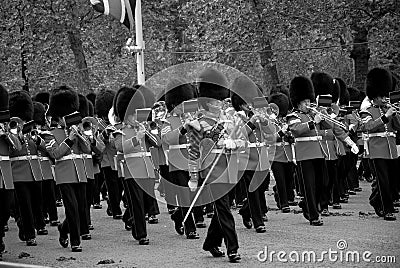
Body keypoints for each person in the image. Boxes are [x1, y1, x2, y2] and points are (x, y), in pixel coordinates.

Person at [186, 68, 242, 262]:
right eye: (217, 101)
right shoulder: (197, 124)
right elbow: (193, 152)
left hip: (229, 168)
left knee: (222, 210)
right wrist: (193, 177)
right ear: (208, 102)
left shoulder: (230, 120)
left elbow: (242, 141)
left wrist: (234, 143)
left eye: (221, 101)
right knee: (225, 210)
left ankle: (211, 243)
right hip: (211, 170)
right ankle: (233, 249)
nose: (221, 104)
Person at [46, 85, 91, 252]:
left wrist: (81, 136)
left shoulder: (76, 130)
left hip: (80, 173)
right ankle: (75, 242)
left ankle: (63, 229)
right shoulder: (50, 134)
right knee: (71, 208)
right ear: (59, 117)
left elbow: (87, 150)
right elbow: (56, 154)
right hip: (64, 175)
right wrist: (70, 140)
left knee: (80, 209)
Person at [113, 86, 159, 245]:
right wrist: (136, 138)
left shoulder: (142, 127)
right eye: (132, 114)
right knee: (138, 204)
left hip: (147, 169)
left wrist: (146, 132)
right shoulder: (120, 131)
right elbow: (120, 147)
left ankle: (129, 219)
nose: (135, 117)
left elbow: (157, 144)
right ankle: (141, 234)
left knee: (148, 203)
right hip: (132, 171)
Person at [161, 79, 201, 239]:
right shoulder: (168, 121)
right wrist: (183, 128)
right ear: (173, 104)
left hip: (192, 159)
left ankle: (179, 216)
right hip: (176, 161)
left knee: (194, 193)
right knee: (184, 195)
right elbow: (166, 139)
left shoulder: (193, 116)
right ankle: (190, 228)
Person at [287, 76, 329, 226]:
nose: (308, 104)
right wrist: (313, 122)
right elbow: (297, 130)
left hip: (318, 152)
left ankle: (307, 205)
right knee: (309, 187)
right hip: (304, 154)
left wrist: (324, 116)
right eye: (305, 102)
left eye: (309, 101)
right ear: (298, 102)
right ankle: (313, 215)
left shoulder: (312, 114)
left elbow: (329, 127)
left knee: (322, 184)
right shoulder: (293, 116)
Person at [359, 67, 400, 221]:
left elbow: (398, 127)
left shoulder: (389, 109)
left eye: (385, 96)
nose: (384, 99)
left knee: (392, 180)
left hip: (391, 149)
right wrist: (385, 117)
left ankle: (376, 200)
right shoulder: (367, 111)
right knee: (383, 181)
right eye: (382, 97)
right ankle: (387, 209)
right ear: (374, 97)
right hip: (377, 150)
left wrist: (394, 114)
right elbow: (367, 127)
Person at [9, 90, 48, 246]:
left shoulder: (32, 130)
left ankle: (25, 224)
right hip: (18, 172)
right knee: (25, 204)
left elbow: (44, 149)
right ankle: (30, 234)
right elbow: (13, 150)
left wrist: (37, 139)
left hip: (35, 171)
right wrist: (16, 135)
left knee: (36, 203)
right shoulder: (11, 132)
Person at [230, 75, 269, 233]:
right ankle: (258, 222)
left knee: (262, 187)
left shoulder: (257, 115)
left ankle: (246, 211)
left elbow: (271, 132)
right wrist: (252, 122)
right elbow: (238, 135)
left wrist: (265, 121)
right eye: (246, 102)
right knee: (253, 190)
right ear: (240, 103)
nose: (249, 105)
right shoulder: (235, 117)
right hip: (246, 157)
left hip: (260, 155)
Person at [0, 85, 21, 260]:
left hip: (6, 175)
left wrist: (7, 135)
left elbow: (17, 148)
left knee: (6, 208)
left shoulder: (6, 131)